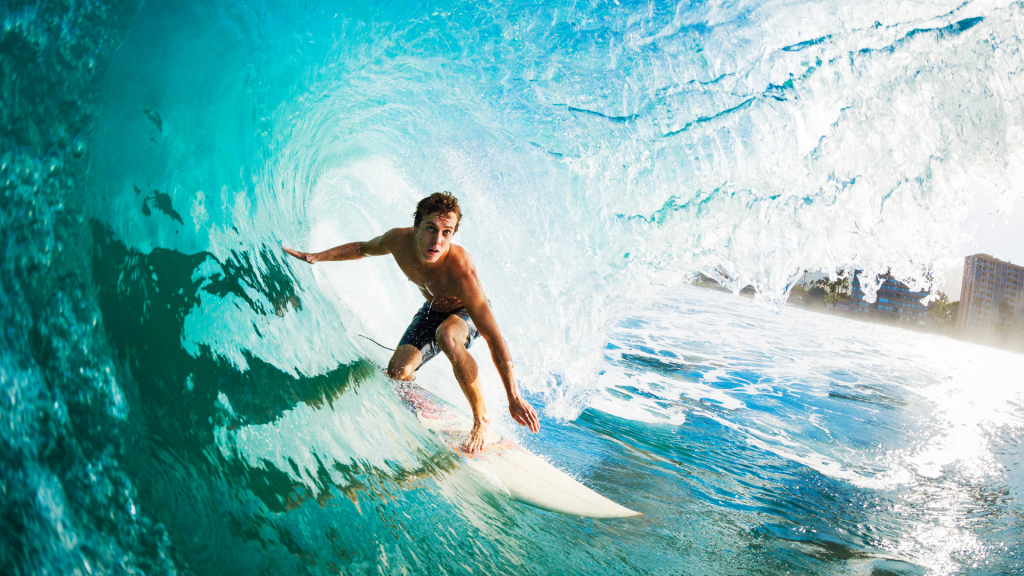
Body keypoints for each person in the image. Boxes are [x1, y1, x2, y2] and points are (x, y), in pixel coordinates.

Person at [283, 192, 540, 452]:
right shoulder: (398, 240)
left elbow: (494, 337)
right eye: (431, 229)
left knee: (448, 336)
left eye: (446, 233)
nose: (437, 241)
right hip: (431, 311)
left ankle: (481, 420)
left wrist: (514, 396)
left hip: (463, 315)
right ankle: (415, 398)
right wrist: (317, 256)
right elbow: (362, 249)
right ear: (416, 226)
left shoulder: (462, 272)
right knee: (398, 371)